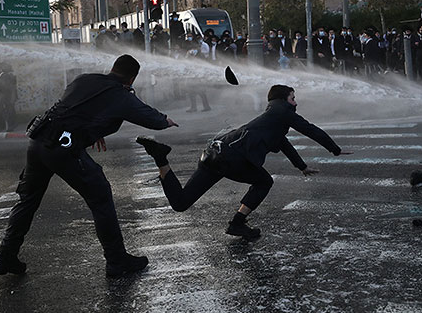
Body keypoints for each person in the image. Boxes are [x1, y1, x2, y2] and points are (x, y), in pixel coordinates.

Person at [0, 55, 178, 278]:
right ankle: (117, 260)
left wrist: (92, 131)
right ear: (132, 78)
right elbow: (151, 118)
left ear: (112, 69)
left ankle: (6, 256)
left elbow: (74, 110)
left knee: (28, 201)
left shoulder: (84, 79)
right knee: (101, 196)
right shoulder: (120, 94)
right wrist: (165, 120)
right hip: (63, 150)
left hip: (38, 142)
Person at [136, 85, 348, 240]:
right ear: (284, 100)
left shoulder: (271, 118)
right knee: (264, 181)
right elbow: (310, 129)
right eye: (293, 98)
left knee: (180, 203)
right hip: (230, 158)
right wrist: (335, 150)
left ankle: (161, 158)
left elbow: (282, 142)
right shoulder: (281, 112)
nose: (296, 102)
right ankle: (237, 223)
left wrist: (301, 167)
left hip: (214, 152)